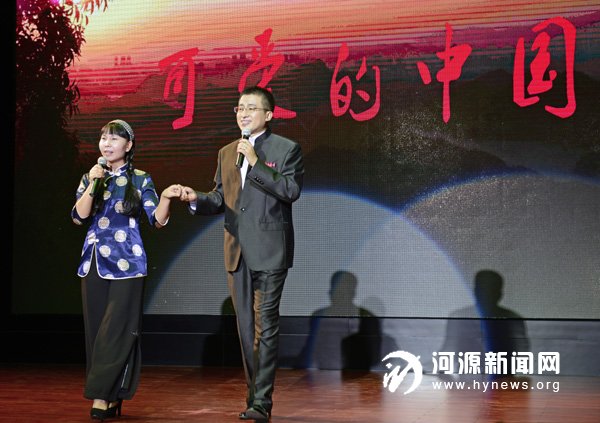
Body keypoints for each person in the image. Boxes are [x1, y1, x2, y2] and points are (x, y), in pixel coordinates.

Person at [180, 86, 304, 422]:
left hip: (270, 251)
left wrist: (256, 162)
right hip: (236, 251)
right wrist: (195, 198)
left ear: (269, 115)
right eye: (239, 108)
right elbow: (221, 198)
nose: (244, 114)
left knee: (265, 326)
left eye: (251, 108)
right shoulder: (226, 153)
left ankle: (261, 402)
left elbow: (290, 190)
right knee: (246, 329)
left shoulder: (286, 149)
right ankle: (254, 396)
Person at [71, 119, 181, 420]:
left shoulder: (140, 179)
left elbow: (156, 220)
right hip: (93, 261)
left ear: (128, 145)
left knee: (116, 330)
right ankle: (114, 393)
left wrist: (166, 199)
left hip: (127, 264)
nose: (106, 144)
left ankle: (100, 396)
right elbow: (79, 217)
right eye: (103, 139)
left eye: (114, 139)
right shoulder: (91, 176)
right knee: (96, 332)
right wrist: (93, 183)